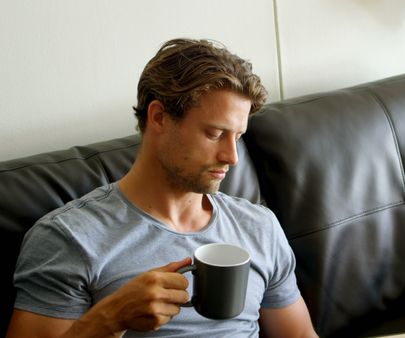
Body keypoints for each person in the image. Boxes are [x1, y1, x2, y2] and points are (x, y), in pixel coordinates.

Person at [6, 38, 318, 338]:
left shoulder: (259, 226)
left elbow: (300, 334)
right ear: (159, 117)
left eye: (237, 136)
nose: (232, 157)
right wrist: (110, 319)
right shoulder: (70, 238)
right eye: (214, 133)